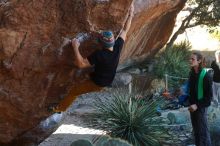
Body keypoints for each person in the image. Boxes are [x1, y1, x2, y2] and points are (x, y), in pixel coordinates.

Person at [53, 4, 134, 112]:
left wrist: (75, 47)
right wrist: (131, 14)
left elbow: (81, 64)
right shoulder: (117, 46)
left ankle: (59, 109)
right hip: (106, 79)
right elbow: (125, 30)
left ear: (100, 44)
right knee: (86, 77)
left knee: (74, 92)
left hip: (98, 83)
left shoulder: (99, 54)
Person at [188, 51, 212, 146]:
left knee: (203, 134)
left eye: (193, 59)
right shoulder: (192, 74)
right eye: (190, 58)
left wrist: (197, 105)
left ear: (199, 60)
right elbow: (190, 91)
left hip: (200, 108)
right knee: (197, 133)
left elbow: (208, 98)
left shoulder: (206, 76)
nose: (190, 60)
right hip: (192, 108)